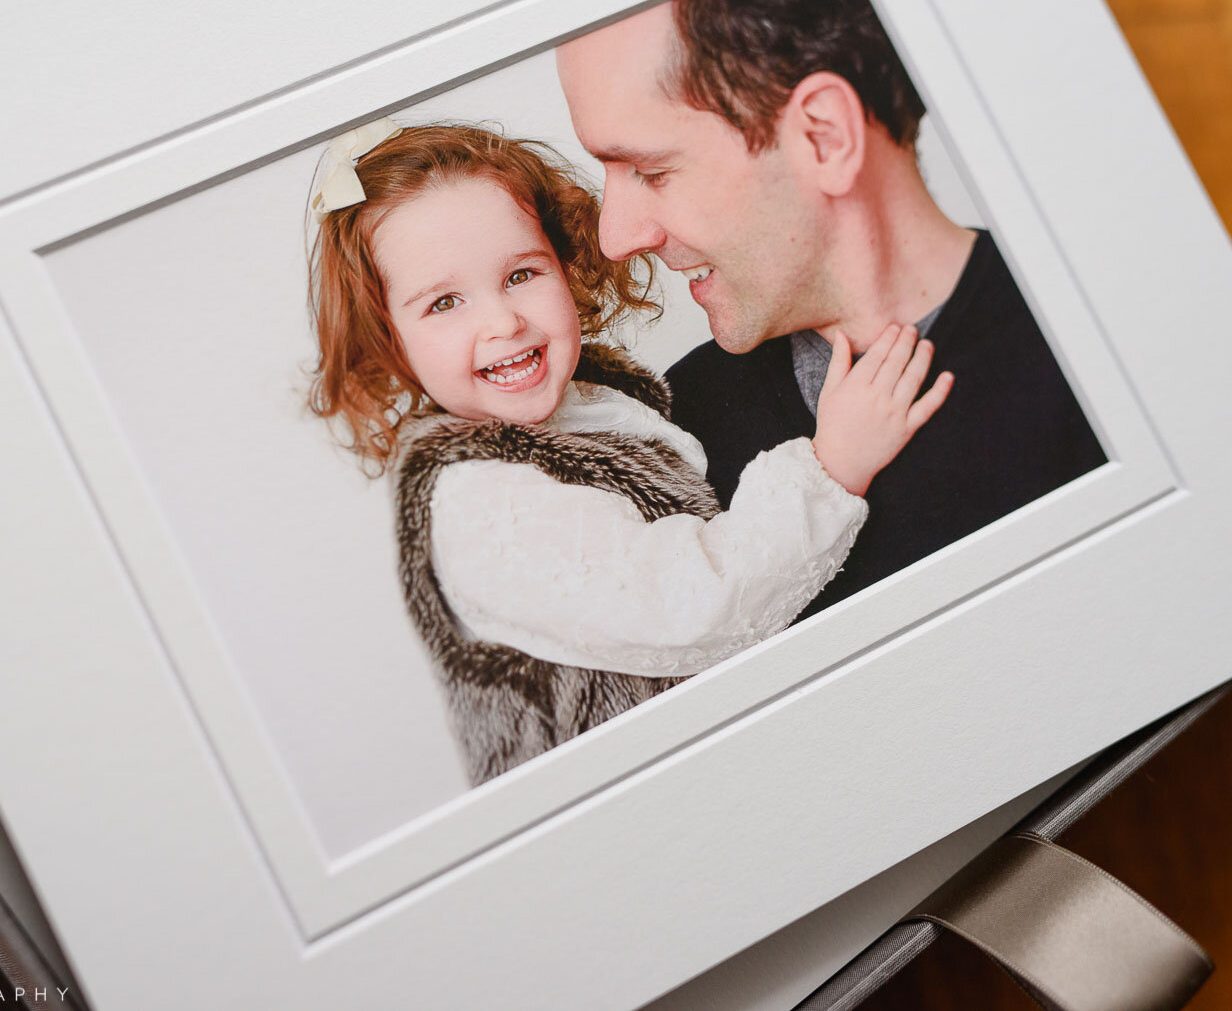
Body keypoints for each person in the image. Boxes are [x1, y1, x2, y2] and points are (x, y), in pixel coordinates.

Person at [305, 121, 950, 784]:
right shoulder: (483, 506)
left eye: (521, 273)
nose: (502, 322)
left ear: (564, 262)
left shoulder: (590, 407)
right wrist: (832, 465)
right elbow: (691, 606)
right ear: (387, 339)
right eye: (444, 302)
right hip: (649, 816)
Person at [556, 0, 1106, 618]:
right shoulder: (675, 438)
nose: (616, 238)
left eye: (652, 171)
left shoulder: (1105, 357)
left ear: (825, 138)